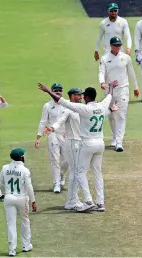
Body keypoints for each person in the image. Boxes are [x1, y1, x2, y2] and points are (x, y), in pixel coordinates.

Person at [38, 81, 119, 212]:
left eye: (82, 95)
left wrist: (48, 90)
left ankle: (83, 201)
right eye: (77, 95)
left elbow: (61, 101)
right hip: (85, 143)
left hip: (85, 144)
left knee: (78, 173)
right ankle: (83, 201)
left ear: (86, 97)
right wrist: (52, 128)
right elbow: (61, 119)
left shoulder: (83, 108)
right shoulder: (97, 106)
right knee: (79, 172)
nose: (80, 97)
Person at [98, 36, 140, 152]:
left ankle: (119, 142)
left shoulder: (126, 58)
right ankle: (114, 136)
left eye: (119, 45)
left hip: (123, 90)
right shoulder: (105, 58)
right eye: (115, 45)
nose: (118, 47)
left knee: (121, 115)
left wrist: (135, 87)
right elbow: (101, 72)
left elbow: (131, 73)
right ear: (111, 45)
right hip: (110, 91)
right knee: (111, 116)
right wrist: (102, 82)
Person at [0, 148, 37, 257]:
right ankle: (26, 245)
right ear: (21, 157)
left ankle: (12, 250)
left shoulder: (5, 168)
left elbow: (1, 182)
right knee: (25, 221)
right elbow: (29, 187)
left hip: (9, 197)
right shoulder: (25, 170)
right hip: (22, 198)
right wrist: (33, 201)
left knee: (10, 224)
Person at [35, 83, 68, 194]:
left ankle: (62, 174)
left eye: (60, 90)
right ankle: (56, 183)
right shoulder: (47, 106)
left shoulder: (66, 103)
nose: (58, 92)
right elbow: (43, 121)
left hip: (65, 135)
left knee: (67, 160)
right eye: (55, 90)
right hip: (52, 134)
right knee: (55, 159)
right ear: (52, 91)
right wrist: (38, 137)